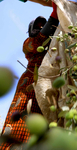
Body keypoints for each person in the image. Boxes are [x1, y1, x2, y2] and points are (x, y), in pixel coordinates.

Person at [0, 1, 59, 149]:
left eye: (42, 25)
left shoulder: (55, 53)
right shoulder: (29, 44)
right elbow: (40, 40)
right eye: (37, 27)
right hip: (29, 89)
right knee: (19, 129)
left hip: (47, 92)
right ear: (31, 31)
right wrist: (56, 13)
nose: (40, 29)